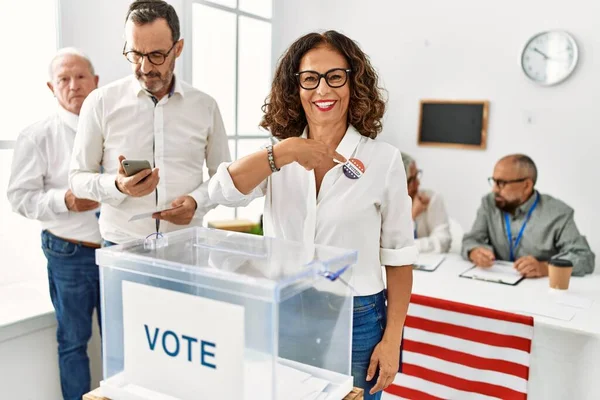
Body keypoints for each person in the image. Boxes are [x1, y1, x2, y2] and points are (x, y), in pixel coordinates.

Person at [208, 30, 417, 398]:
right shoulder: (277, 156)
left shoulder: (384, 160)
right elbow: (222, 192)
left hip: (357, 316)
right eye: (310, 79)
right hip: (285, 306)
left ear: (354, 82)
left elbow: (398, 257)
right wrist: (283, 154)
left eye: (335, 77)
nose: (323, 90)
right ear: (296, 87)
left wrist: (392, 339)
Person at [69, 0, 230, 245]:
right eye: (135, 54)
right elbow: (78, 178)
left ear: (178, 48)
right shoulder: (100, 102)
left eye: (156, 55)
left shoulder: (206, 107)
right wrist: (117, 185)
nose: (144, 67)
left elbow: (223, 175)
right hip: (121, 245)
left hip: (186, 245)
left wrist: (197, 202)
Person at [7, 48, 101, 400]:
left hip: (119, 250)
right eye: (64, 79)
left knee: (122, 342)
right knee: (74, 343)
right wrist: (66, 200)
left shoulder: (116, 130)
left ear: (96, 82)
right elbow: (19, 197)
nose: (73, 85)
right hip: (69, 252)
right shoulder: (37, 135)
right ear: (52, 86)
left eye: (80, 77)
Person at [462, 154, 595, 277]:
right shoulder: (489, 203)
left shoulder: (558, 213)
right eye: (494, 181)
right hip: (495, 281)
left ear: (527, 185)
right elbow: (471, 240)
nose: (495, 189)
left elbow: (585, 258)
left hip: (540, 290)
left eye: (501, 183)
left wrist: (545, 268)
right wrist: (474, 252)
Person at [401, 152, 451, 253]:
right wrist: (412, 216)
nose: (418, 183)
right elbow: (387, 245)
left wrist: (409, 248)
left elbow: (444, 242)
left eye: (417, 175)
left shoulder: (431, 198)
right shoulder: (384, 205)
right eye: (412, 179)